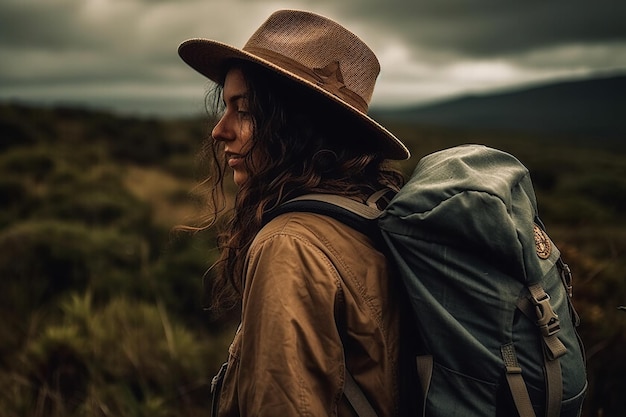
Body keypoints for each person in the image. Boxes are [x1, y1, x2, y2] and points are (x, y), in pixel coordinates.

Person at [178, 9, 412, 417]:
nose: (220, 130)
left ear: (295, 126)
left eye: (245, 109)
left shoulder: (289, 246)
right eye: (226, 106)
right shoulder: (372, 212)